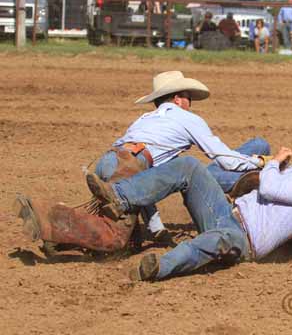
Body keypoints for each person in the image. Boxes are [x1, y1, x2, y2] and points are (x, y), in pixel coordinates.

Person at [14, 71, 271, 256]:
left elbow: (150, 184)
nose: (190, 103)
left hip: (110, 159)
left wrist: (157, 228)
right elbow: (224, 159)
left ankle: (58, 238)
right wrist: (259, 161)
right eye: (189, 97)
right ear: (179, 98)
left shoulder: (145, 119)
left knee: (119, 225)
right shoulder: (186, 117)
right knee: (115, 237)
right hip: (130, 166)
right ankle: (45, 215)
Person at [85, 130, 292, 282]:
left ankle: (159, 267)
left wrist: (276, 161)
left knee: (214, 240)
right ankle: (119, 196)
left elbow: (270, 187)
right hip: (231, 218)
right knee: (189, 166)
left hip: (240, 236)